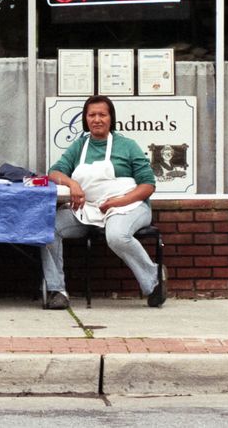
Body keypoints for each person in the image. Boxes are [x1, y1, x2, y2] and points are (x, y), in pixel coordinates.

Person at [40, 95, 166, 309]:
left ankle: (154, 280)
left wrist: (118, 202)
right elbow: (54, 172)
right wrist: (72, 184)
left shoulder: (127, 146)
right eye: (92, 115)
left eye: (102, 114)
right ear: (85, 119)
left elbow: (147, 185)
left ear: (111, 118)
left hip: (129, 207)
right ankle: (56, 290)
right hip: (88, 209)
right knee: (47, 228)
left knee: (117, 236)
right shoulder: (79, 147)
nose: (97, 119)